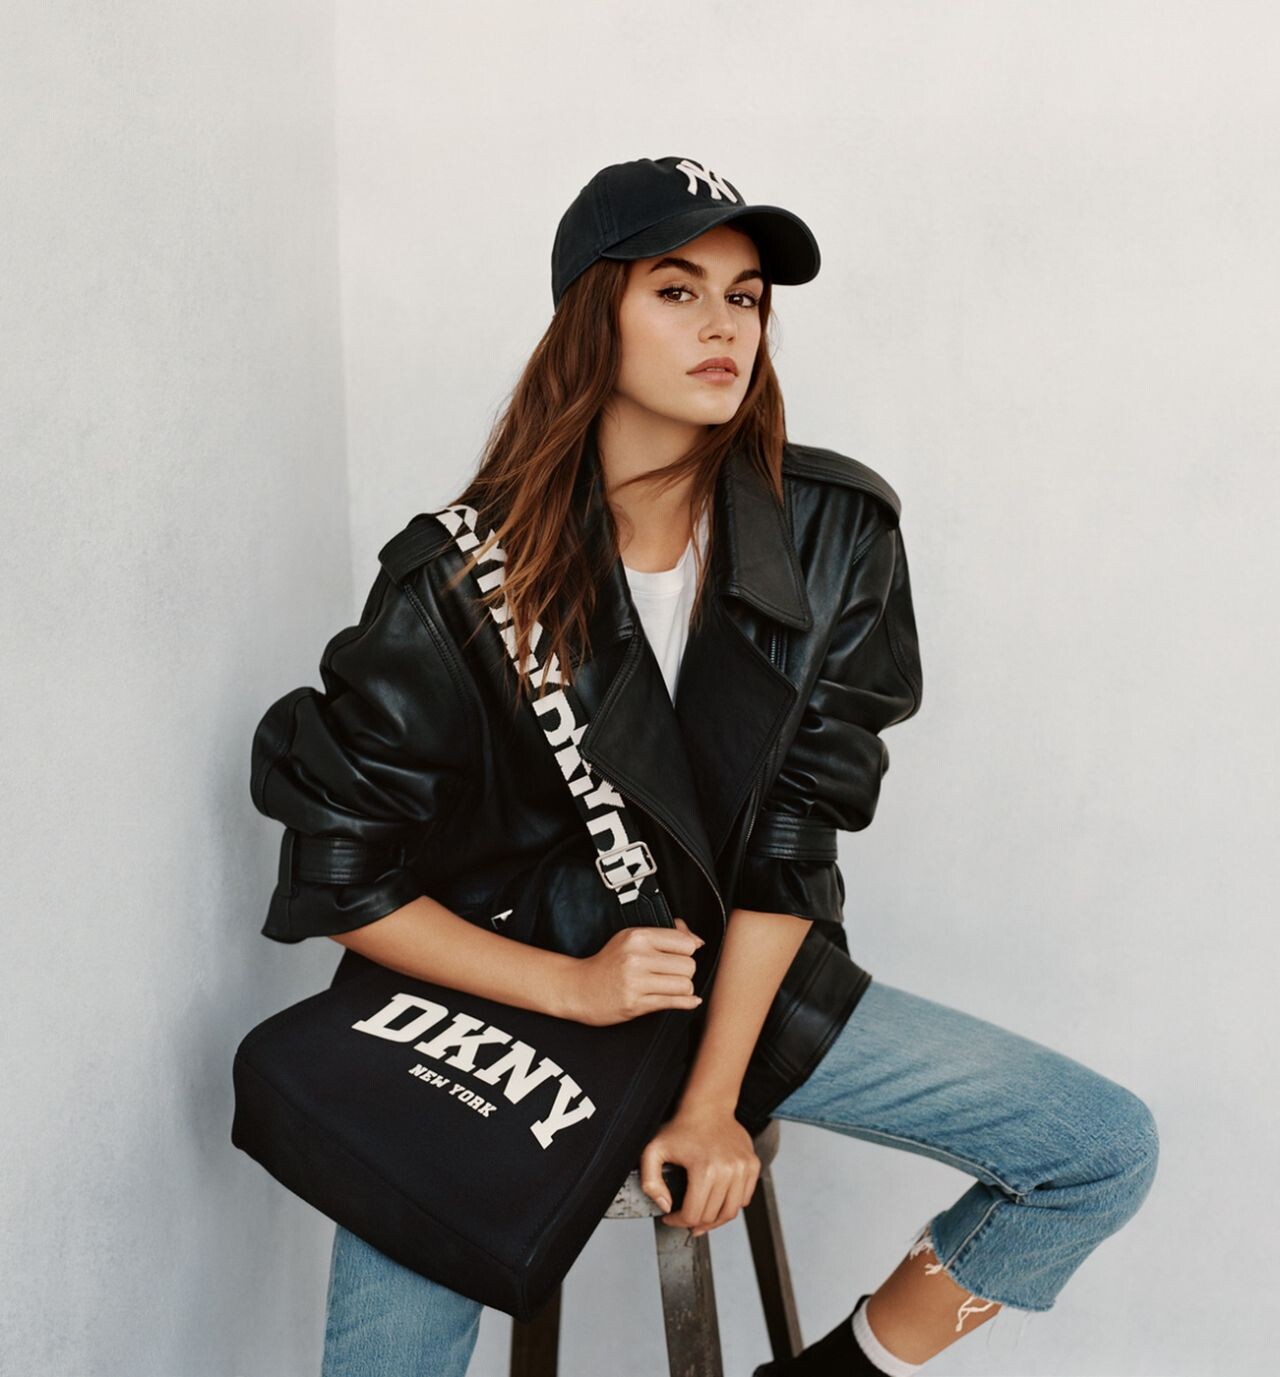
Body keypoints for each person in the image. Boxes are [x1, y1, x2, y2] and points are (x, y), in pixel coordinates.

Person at [256, 156, 1159, 1376]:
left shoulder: (835, 533)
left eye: (744, 298)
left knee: (1094, 1148)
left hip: (741, 985)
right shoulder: (458, 576)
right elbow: (343, 878)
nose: (723, 325)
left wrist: (712, 1097)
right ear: (594, 317)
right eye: (677, 291)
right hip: (498, 1000)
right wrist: (570, 988)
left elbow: (793, 839)